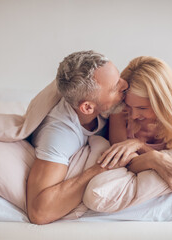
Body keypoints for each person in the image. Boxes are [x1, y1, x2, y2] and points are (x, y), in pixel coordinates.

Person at [83, 56, 172, 213]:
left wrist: (140, 147)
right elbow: (123, 162)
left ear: (163, 103)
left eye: (142, 108)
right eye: (130, 106)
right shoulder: (121, 112)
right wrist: (154, 158)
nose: (134, 115)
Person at [26, 50, 129, 225]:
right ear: (88, 108)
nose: (125, 84)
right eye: (115, 87)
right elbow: (39, 212)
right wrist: (100, 169)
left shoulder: (108, 103)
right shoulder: (59, 134)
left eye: (119, 77)